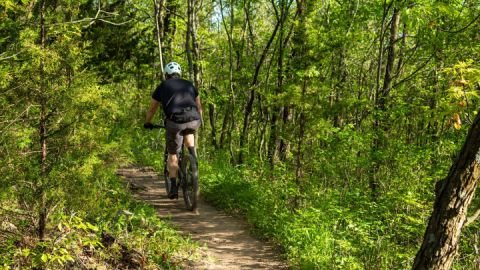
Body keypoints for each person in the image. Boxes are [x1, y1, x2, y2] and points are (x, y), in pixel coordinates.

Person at [144, 62, 202, 199]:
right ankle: (193, 155)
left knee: (173, 153)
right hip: (194, 119)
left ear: (166, 74)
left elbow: (152, 108)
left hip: (175, 121)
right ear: (179, 73)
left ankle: (174, 187)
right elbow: (199, 106)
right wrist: (199, 120)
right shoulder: (189, 84)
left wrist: (147, 122)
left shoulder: (162, 86)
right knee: (189, 131)